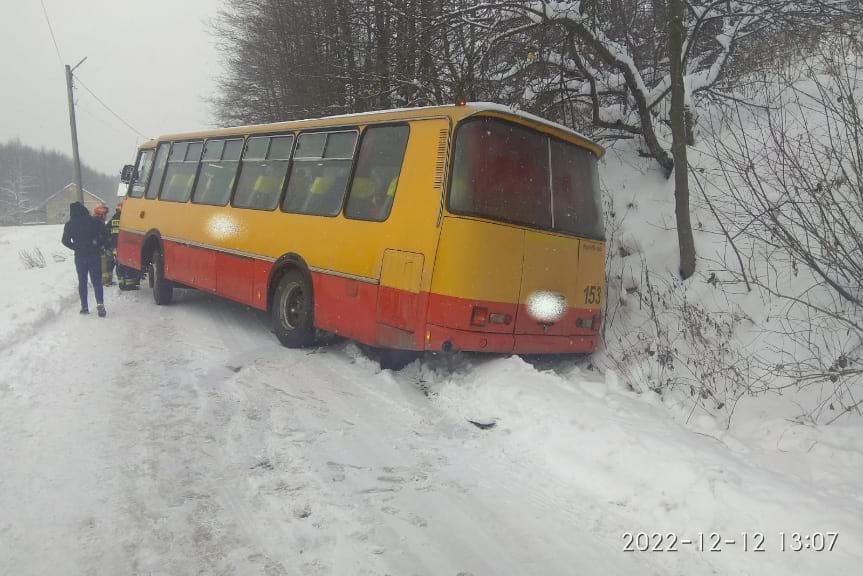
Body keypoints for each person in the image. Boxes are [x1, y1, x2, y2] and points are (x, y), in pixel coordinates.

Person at [62, 202, 109, 316]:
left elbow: (65, 241)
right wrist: (99, 245)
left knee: (82, 281)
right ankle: (100, 304)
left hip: (80, 257)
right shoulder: (94, 221)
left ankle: (84, 307)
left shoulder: (70, 224)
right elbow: (105, 234)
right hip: (94, 255)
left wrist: (76, 247)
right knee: (96, 281)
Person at [109, 200, 141, 290]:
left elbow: (111, 232)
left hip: (116, 245)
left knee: (120, 264)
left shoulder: (115, 217)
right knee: (126, 265)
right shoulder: (123, 217)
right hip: (123, 245)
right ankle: (128, 284)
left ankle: (122, 283)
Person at [93, 204, 114, 286]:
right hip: (100, 248)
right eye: (105, 214)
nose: (106, 216)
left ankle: (106, 280)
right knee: (104, 264)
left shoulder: (98, 221)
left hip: (101, 247)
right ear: (101, 214)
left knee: (108, 263)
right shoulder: (97, 222)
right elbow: (103, 235)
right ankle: (104, 281)